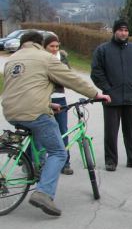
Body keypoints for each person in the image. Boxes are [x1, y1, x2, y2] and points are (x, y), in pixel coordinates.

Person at [2, 31, 110, 217]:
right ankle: (43, 193)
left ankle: (36, 169)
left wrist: (48, 104)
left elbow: (24, 89)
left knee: (39, 139)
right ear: (39, 43)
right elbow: (70, 78)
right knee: (59, 152)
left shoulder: (12, 59)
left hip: (11, 112)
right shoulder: (45, 58)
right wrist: (95, 94)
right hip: (34, 112)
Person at [91, 18, 132, 172]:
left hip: (131, 98)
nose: (123, 33)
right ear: (114, 31)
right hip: (111, 98)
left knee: (130, 131)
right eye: (120, 30)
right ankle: (111, 160)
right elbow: (96, 72)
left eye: (126, 30)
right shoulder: (103, 50)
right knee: (111, 131)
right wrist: (107, 89)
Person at [43, 34, 73, 175]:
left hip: (60, 98)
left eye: (57, 46)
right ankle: (38, 162)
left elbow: (66, 76)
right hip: (43, 99)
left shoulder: (63, 59)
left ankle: (65, 162)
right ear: (45, 47)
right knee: (42, 130)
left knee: (63, 130)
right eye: (51, 46)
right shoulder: (40, 58)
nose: (54, 49)